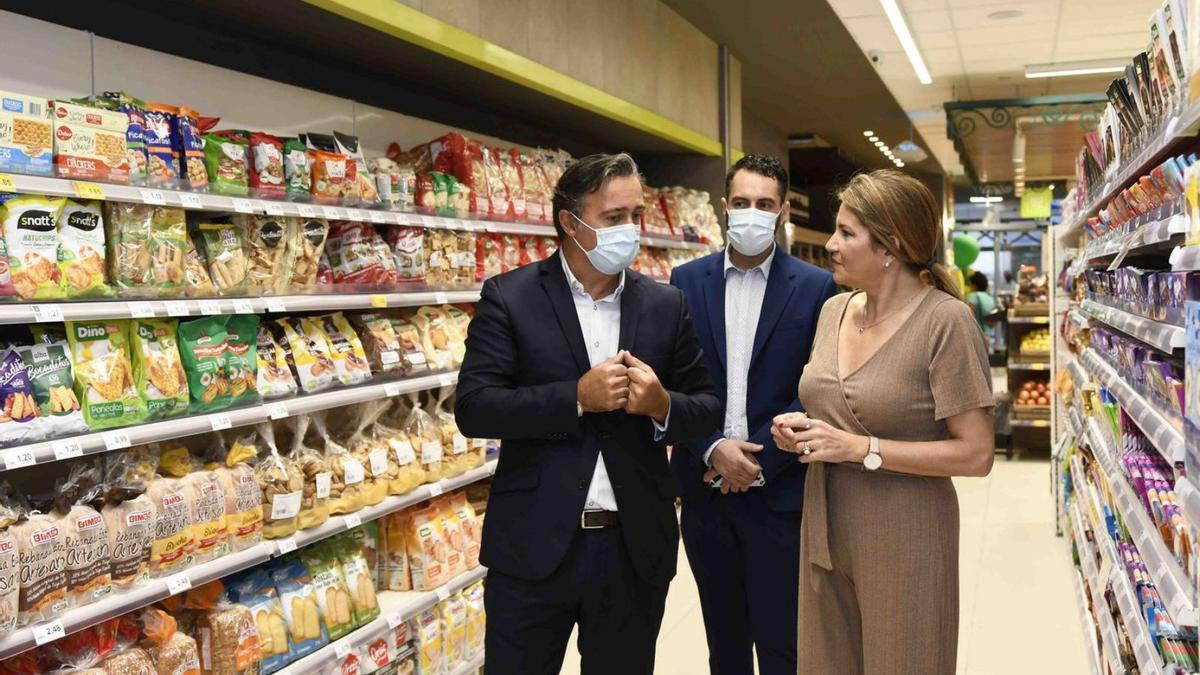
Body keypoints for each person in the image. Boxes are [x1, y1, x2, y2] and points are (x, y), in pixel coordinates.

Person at [454, 152, 722, 675]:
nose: (629, 230)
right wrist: (574, 397)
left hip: (631, 549)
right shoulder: (510, 297)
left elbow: (707, 408)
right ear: (569, 222)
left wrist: (661, 404)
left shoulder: (666, 305)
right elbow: (474, 407)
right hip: (533, 549)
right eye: (613, 218)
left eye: (635, 217)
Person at [771, 169, 994, 674]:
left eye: (847, 233)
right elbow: (840, 406)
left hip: (907, 532)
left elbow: (977, 454)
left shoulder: (945, 322)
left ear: (890, 246)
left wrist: (860, 448)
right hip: (825, 523)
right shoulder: (834, 311)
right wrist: (803, 430)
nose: (831, 244)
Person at [669, 154, 836, 675]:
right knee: (724, 644)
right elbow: (674, 381)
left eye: (764, 204)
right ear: (724, 207)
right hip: (702, 491)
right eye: (741, 203)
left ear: (782, 211)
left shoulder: (816, 288)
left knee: (784, 643)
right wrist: (713, 446)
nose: (751, 214)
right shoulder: (684, 281)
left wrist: (757, 459)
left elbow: (817, 385)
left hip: (781, 495)